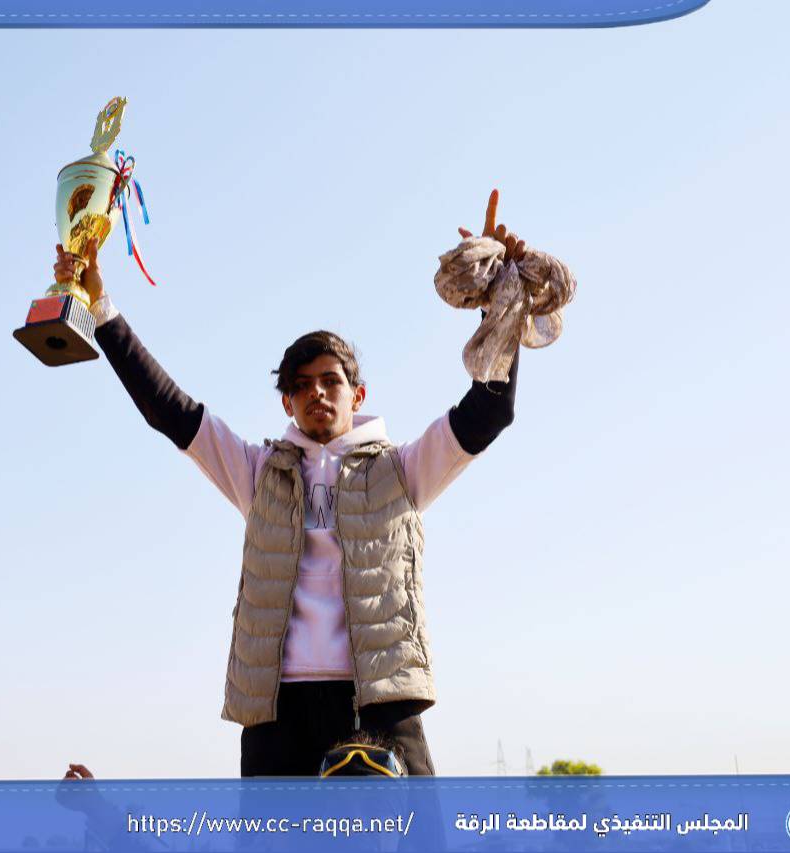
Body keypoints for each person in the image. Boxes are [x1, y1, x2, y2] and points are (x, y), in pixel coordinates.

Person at [55, 190, 528, 778]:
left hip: (379, 702)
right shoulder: (258, 473)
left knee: (415, 830)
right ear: (287, 402)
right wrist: (102, 311)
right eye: (300, 385)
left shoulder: (402, 471)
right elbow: (169, 410)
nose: (316, 393)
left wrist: (501, 295)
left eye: (330, 381)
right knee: (272, 832)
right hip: (277, 710)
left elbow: (489, 413)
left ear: (357, 394)